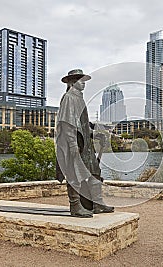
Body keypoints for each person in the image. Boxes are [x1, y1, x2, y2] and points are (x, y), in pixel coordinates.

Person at [55, 69, 114, 218]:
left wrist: (96, 134)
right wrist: (73, 144)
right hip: (75, 143)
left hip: (86, 144)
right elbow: (67, 124)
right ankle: (75, 206)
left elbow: (84, 125)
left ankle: (97, 204)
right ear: (73, 83)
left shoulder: (79, 99)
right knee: (75, 174)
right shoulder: (69, 98)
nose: (84, 84)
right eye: (81, 81)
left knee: (95, 172)